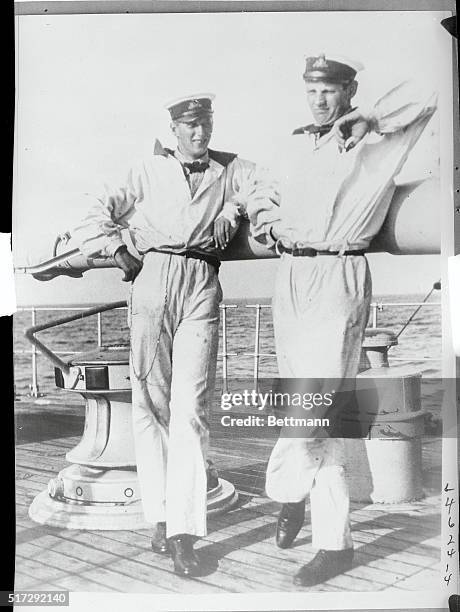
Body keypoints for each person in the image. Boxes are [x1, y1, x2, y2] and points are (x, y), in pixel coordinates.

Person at [72, 93, 280, 577]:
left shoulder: (231, 169)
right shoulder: (145, 170)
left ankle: (185, 531)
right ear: (173, 129)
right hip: (151, 278)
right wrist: (115, 250)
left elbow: (271, 183)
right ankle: (160, 518)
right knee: (151, 407)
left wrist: (236, 210)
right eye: (189, 126)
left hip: (201, 282)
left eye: (205, 124)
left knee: (190, 410)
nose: (199, 133)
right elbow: (93, 210)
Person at [263, 54, 437, 587]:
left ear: (350, 91)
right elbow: (271, 198)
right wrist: (271, 223)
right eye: (312, 90)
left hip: (337, 276)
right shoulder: (297, 144)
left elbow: (430, 89)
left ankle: (329, 539)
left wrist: (374, 117)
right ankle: (295, 491)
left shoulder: (378, 140)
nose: (319, 100)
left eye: (331, 91)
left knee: (321, 411)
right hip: (290, 274)